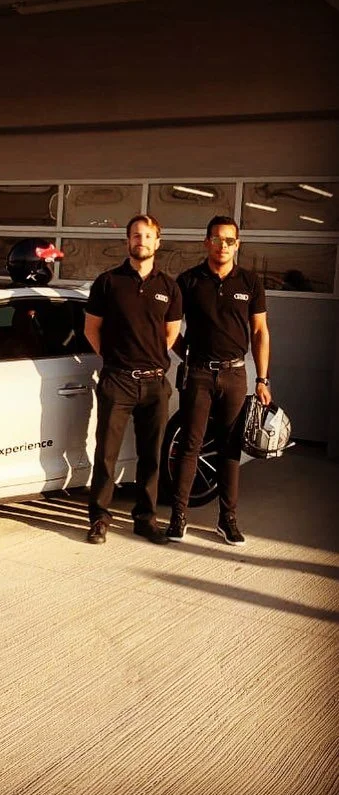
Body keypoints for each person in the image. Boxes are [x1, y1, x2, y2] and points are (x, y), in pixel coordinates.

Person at [166, 216, 271, 546]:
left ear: (237, 244)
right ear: (206, 242)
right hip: (198, 374)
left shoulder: (250, 282)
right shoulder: (189, 281)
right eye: (216, 239)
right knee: (190, 445)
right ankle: (178, 517)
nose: (222, 245)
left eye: (229, 240)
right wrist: (187, 354)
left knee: (230, 447)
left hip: (235, 375)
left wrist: (263, 379)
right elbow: (169, 328)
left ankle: (228, 520)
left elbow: (260, 332)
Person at [84, 214, 183, 545]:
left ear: (158, 242)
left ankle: (145, 519)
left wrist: (149, 359)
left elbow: (170, 334)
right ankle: (99, 518)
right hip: (117, 381)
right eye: (136, 236)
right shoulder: (108, 282)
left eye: (148, 236)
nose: (142, 241)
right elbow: (91, 329)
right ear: (127, 241)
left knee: (151, 456)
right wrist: (114, 359)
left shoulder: (169, 287)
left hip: (155, 383)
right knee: (106, 455)